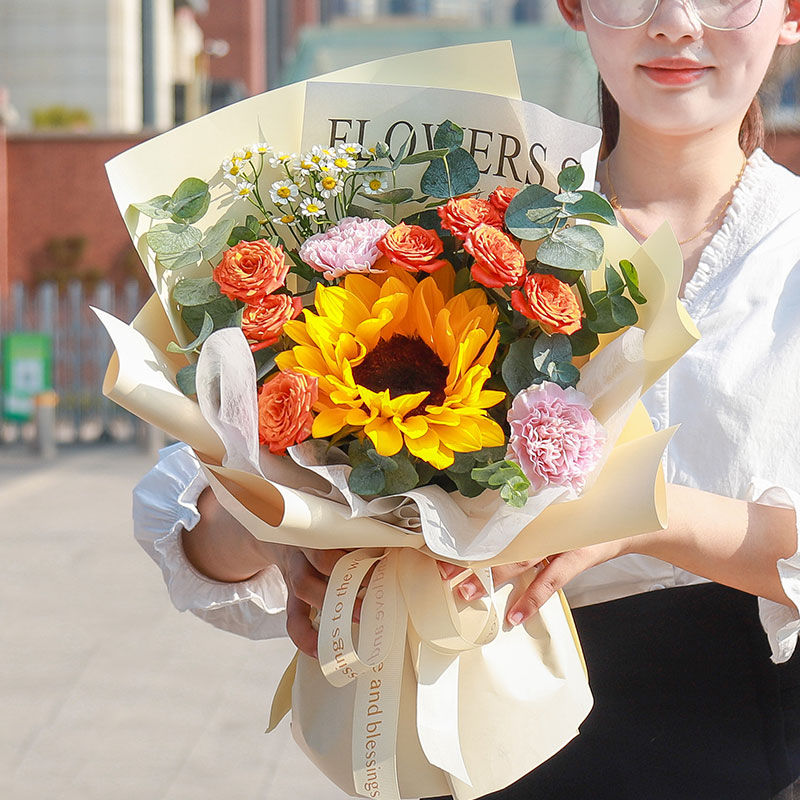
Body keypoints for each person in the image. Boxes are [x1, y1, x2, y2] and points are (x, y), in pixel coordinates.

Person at [132, 0, 800, 797]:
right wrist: (281, 532)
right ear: (576, 10)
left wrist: (639, 518)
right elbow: (198, 531)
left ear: (791, 13)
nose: (677, 23)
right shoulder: (454, 228)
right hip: (471, 741)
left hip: (745, 754)